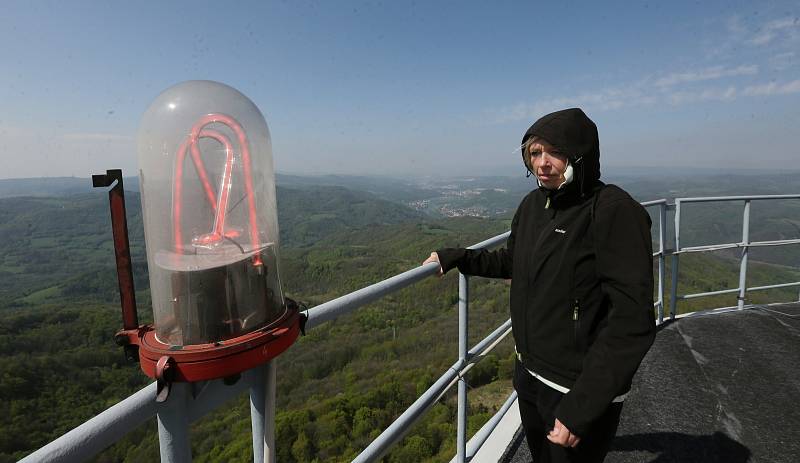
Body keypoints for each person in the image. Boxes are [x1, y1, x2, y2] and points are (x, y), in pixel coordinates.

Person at [422, 108, 655, 462]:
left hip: (575, 387)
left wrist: (583, 406)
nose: (542, 163)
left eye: (554, 152)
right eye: (534, 153)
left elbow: (632, 322)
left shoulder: (613, 210)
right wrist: (458, 258)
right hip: (530, 375)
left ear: (580, 153)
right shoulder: (533, 205)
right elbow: (512, 261)